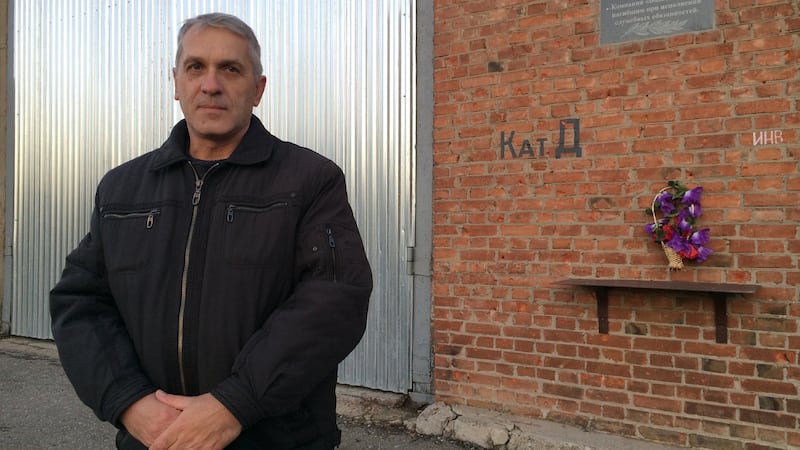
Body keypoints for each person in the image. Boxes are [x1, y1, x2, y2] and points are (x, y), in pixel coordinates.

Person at [49, 12, 372, 450]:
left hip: (278, 439)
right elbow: (81, 302)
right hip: (156, 438)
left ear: (258, 89)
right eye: (196, 67)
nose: (211, 84)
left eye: (231, 69)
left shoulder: (309, 180)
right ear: (176, 82)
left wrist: (234, 405)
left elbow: (333, 301)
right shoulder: (123, 188)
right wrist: (130, 402)